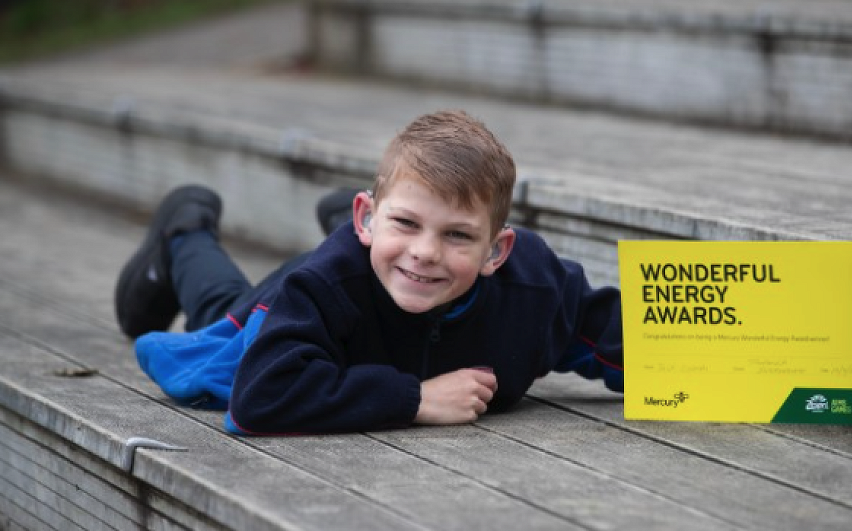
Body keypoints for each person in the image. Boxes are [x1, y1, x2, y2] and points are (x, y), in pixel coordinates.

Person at [115, 110, 623, 435]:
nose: (426, 252)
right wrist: (414, 399)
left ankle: (371, 223)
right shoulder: (323, 286)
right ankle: (183, 235)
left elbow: (623, 337)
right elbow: (259, 399)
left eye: (457, 235)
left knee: (401, 259)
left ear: (496, 251)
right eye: (407, 223)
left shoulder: (536, 289)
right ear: (368, 218)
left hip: (375, 264)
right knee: (222, 307)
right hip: (319, 291)